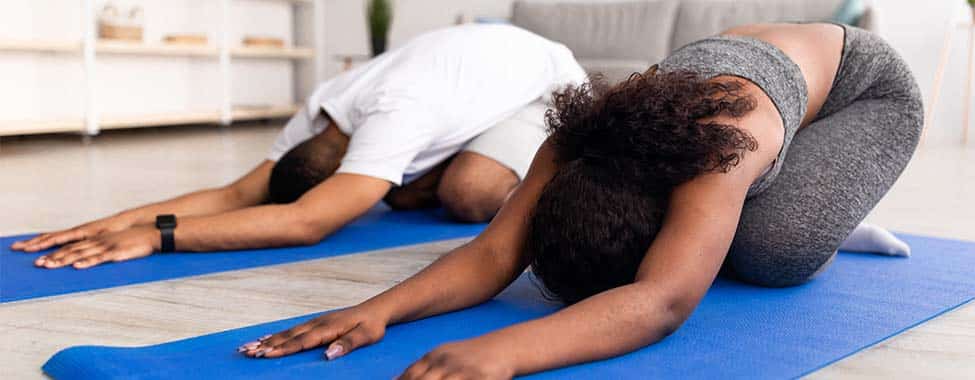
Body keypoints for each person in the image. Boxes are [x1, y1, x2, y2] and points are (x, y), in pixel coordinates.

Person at [239, 23, 922, 379]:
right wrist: (373, 311)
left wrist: (502, 350)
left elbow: (659, 302)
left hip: (861, 93)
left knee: (774, 255)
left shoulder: (718, 145)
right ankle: (761, 193)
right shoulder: (575, 139)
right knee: (728, 239)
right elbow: (491, 252)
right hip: (755, 88)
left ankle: (823, 204)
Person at [9, 24, 588, 269]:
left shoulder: (395, 115)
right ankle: (418, 176)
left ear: (345, 163)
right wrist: (108, 222)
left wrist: (157, 238)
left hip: (547, 83)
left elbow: (306, 223)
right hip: (475, 73)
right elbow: (239, 192)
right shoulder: (322, 111)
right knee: (413, 189)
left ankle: (510, 168)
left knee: (469, 192)